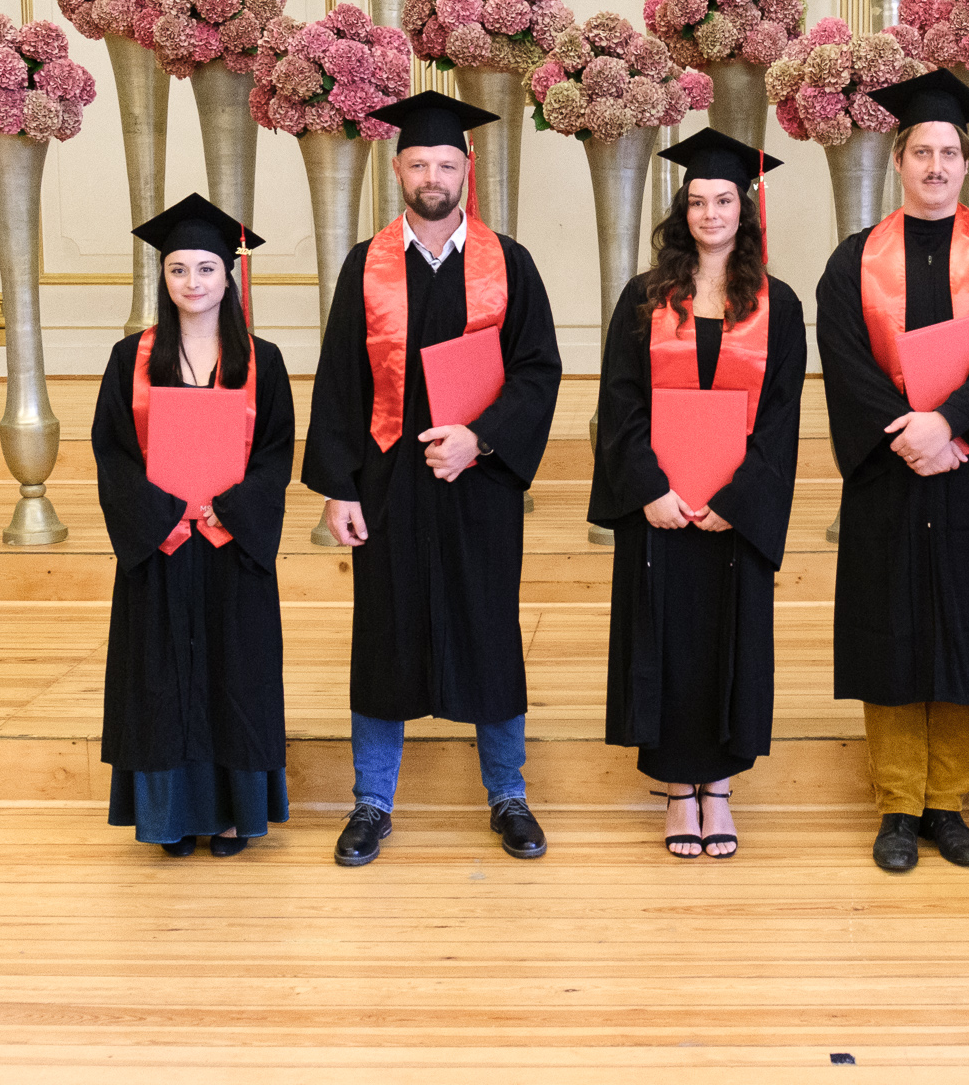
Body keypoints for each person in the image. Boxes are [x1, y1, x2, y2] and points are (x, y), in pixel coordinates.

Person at [302, 91, 563, 867]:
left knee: (490, 631)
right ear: (398, 171)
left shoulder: (509, 263)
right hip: (389, 482)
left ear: (466, 169)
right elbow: (340, 378)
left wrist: (480, 439)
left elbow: (538, 370)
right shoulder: (368, 265)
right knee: (384, 634)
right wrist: (340, 486)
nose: (433, 177)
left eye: (446, 164)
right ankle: (371, 802)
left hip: (479, 484)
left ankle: (507, 794)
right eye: (419, 164)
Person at [815, 70, 969, 872]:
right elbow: (846, 361)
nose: (937, 166)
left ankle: (947, 802)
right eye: (922, 151)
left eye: (950, 152)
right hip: (889, 471)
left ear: (966, 162)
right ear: (898, 159)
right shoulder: (854, 260)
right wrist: (911, 433)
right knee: (891, 633)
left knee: (968, 630)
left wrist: (950, 423)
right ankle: (897, 804)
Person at [590, 128, 806, 859]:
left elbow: (780, 418)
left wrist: (738, 502)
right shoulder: (646, 297)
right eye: (697, 202)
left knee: (727, 642)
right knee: (667, 641)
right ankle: (679, 791)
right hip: (662, 511)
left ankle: (719, 788)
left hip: (731, 514)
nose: (711, 213)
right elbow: (620, 401)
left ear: (745, 210)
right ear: (681, 212)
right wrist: (649, 489)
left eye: (723, 200)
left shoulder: (779, 304)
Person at [92, 193, 296, 858]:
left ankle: (237, 816)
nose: (193, 282)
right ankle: (169, 818)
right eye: (178, 269)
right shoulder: (130, 358)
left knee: (236, 677)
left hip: (231, 544)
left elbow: (275, 453)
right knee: (160, 680)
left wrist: (227, 510)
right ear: (162, 277)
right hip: (163, 545)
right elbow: (113, 452)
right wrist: (167, 513)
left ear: (228, 277)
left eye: (206, 268)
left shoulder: (262, 360)